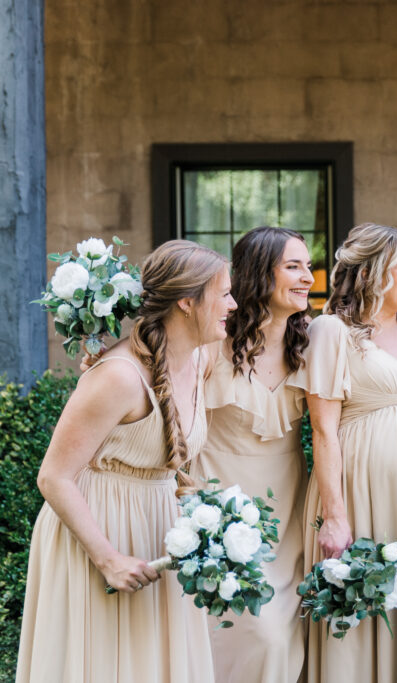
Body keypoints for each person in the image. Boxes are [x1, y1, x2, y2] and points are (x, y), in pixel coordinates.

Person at [16, 240, 234, 683]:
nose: (233, 304)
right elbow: (54, 476)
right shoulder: (118, 376)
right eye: (225, 293)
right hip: (98, 532)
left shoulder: (203, 358)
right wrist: (109, 559)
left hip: (158, 528)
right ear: (188, 303)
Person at [299, 222, 397, 683]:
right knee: (362, 614)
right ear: (370, 272)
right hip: (361, 493)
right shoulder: (332, 331)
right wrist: (335, 516)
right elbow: (323, 429)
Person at [192, 227, 313, 683]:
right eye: (293, 266)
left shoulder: (312, 343)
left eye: (307, 265)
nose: (307, 276)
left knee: (279, 639)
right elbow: (153, 383)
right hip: (219, 511)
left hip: (286, 520)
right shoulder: (212, 346)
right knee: (238, 633)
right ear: (261, 273)